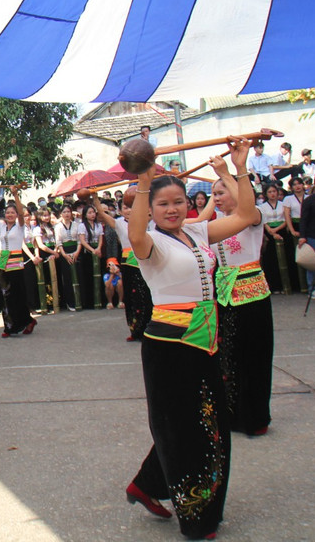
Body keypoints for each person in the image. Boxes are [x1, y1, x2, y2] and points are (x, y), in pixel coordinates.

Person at [125, 138, 256, 540]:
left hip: (205, 341)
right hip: (169, 347)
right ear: (152, 208)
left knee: (208, 422)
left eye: (178, 202)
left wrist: (239, 167)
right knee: (178, 426)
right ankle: (195, 515)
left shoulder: (199, 233)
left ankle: (146, 485)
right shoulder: (150, 242)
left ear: (189, 203)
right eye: (163, 204)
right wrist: (145, 182)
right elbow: (136, 230)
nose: (172, 209)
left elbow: (248, 214)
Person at [209, 162, 273, 437]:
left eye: (221, 192)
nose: (216, 197)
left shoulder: (252, 218)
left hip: (252, 295)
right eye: (214, 193)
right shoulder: (215, 224)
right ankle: (232, 413)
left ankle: (255, 416)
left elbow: (246, 206)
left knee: (254, 355)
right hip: (224, 295)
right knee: (228, 357)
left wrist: (228, 172)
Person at [93, 193, 152, 341]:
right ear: (120, 211)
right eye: (125, 207)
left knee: (147, 295)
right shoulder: (119, 223)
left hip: (146, 260)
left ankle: (149, 329)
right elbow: (101, 213)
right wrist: (95, 198)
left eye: (132, 207)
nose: (129, 210)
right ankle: (135, 330)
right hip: (128, 262)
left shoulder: (147, 220)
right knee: (132, 296)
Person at [0, 192, 36, 336]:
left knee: (18, 295)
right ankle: (9, 326)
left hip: (16, 263)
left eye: (13, 212)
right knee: (5, 295)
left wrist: (16, 194)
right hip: (3, 262)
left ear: (17, 215)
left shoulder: (20, 226)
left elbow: (22, 213)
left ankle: (27, 321)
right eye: (8, 212)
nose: (10, 214)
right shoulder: (1, 226)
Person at [258, 183, 290, 294]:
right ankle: (274, 286)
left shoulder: (283, 204)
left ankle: (286, 285)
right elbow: (263, 221)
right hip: (269, 232)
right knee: (271, 260)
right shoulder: (262, 207)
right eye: (270, 192)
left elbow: (287, 219)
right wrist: (271, 232)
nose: (272, 194)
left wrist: (277, 230)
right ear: (266, 194)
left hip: (281, 230)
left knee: (286, 257)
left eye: (274, 191)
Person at [55, 204, 82, 311]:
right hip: (65, 252)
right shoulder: (58, 227)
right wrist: (64, 255)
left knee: (79, 276)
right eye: (64, 212)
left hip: (76, 250)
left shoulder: (76, 224)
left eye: (68, 212)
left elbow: (80, 240)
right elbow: (58, 242)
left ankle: (80, 300)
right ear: (61, 214)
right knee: (67, 278)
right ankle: (70, 302)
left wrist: (77, 252)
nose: (66, 214)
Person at [282, 177, 307, 293]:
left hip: (307, 224)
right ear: (291, 187)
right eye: (294, 184)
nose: (297, 186)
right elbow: (287, 215)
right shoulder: (288, 199)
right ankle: (298, 284)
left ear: (303, 185)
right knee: (295, 255)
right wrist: (291, 230)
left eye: (299, 184)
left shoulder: (309, 197)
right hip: (295, 224)